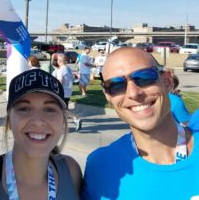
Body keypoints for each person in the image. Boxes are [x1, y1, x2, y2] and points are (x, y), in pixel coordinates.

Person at [81, 47, 199, 199]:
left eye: (144, 77)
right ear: (108, 97)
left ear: (167, 81)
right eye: (116, 85)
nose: (133, 93)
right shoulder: (99, 166)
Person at [0, 69, 82, 200]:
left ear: (63, 121)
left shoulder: (71, 171)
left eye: (49, 109)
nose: (38, 122)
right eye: (24, 109)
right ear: (9, 121)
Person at [56, 53, 83, 132]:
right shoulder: (68, 69)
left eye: (57, 60)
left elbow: (60, 82)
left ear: (59, 61)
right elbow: (72, 80)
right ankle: (63, 125)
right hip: (68, 91)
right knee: (63, 109)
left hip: (62, 92)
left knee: (62, 109)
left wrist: (56, 90)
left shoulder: (60, 70)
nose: (57, 61)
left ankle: (76, 119)